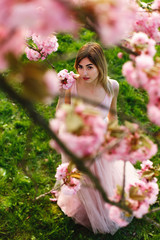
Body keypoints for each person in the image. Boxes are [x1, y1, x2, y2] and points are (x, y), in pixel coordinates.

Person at [55, 42, 138, 235]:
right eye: (80, 66)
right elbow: (61, 113)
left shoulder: (112, 87)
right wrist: (61, 92)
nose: (84, 72)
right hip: (77, 139)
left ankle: (102, 207)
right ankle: (83, 205)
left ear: (100, 66)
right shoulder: (72, 84)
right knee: (79, 178)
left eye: (90, 67)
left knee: (101, 178)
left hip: (99, 141)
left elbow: (113, 116)